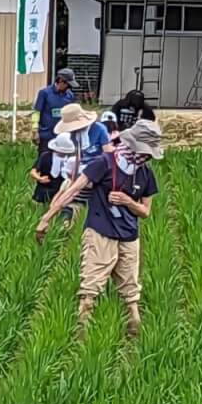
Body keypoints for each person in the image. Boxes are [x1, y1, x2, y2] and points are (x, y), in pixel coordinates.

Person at [37, 117, 165, 337]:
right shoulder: (104, 163)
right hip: (100, 230)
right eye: (143, 152)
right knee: (92, 283)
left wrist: (127, 201)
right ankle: (82, 329)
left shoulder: (145, 173)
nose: (144, 157)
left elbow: (145, 212)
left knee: (130, 286)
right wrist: (47, 217)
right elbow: (73, 189)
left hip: (129, 234)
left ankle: (135, 325)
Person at [34, 66, 75, 161]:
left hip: (63, 135)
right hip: (46, 134)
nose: (69, 88)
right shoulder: (44, 93)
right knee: (44, 160)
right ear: (61, 81)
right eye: (68, 85)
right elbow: (36, 112)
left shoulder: (70, 96)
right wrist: (35, 130)